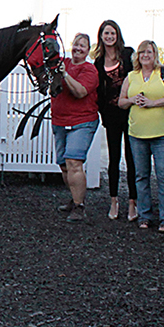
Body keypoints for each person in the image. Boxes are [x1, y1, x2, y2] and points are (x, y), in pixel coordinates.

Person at [118, 40, 164, 233]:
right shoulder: (131, 76)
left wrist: (154, 103)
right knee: (141, 175)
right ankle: (144, 215)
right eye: (142, 52)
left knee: (163, 175)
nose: (145, 55)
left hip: (162, 133)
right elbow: (121, 102)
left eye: (149, 52)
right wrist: (131, 100)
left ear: (155, 54)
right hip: (137, 133)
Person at [51, 33, 99, 223]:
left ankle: (79, 206)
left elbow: (80, 92)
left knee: (74, 162)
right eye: (76, 45)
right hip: (60, 120)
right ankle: (74, 198)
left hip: (82, 121)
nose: (78, 48)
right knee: (64, 165)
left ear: (88, 50)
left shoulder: (90, 70)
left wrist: (64, 74)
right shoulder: (64, 62)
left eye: (83, 46)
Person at [93, 20, 137, 221]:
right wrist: (102, 112)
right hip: (111, 115)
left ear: (117, 35)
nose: (109, 36)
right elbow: (99, 91)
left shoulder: (128, 54)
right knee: (114, 159)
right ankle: (114, 201)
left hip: (130, 113)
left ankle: (132, 203)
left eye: (112, 33)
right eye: (106, 33)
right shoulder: (99, 61)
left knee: (132, 158)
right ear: (101, 36)